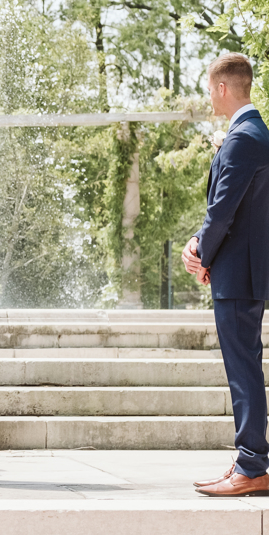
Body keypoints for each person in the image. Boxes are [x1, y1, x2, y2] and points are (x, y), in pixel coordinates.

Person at [183, 53, 269, 497]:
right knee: (245, 366)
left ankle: (252, 465)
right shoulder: (254, 133)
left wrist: (199, 250)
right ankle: (249, 461)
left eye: (208, 87)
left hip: (239, 274)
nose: (208, 95)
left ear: (222, 88)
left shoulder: (243, 138)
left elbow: (222, 212)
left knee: (243, 370)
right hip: (241, 271)